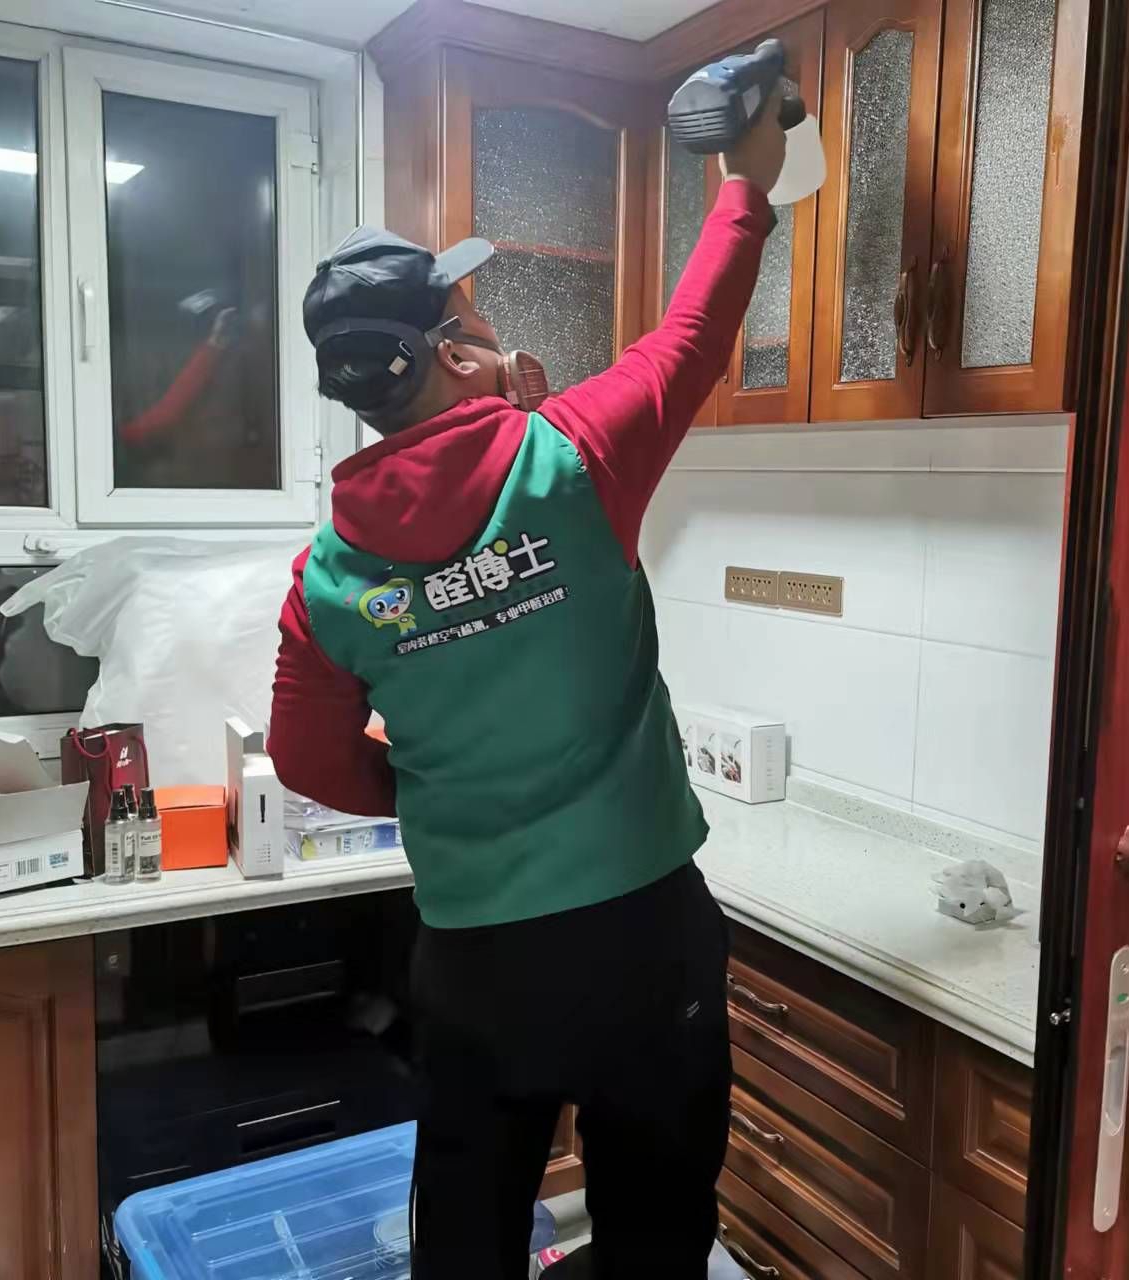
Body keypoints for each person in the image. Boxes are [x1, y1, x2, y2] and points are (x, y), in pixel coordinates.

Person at [267, 98, 787, 1280]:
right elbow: (693, 334)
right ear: (455, 353)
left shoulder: (329, 574)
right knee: (654, 1234)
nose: (488, 322)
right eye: (471, 312)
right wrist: (744, 183)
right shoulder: (572, 456)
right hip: (640, 938)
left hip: (476, 962)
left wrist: (428, 786)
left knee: (466, 1232)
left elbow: (304, 757)